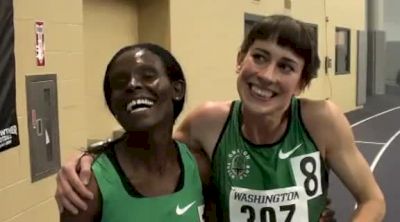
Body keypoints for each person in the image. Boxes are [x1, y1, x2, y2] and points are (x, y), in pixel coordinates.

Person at [56, 15, 385, 221]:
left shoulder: (321, 120)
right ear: (240, 61)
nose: (267, 76)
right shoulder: (208, 122)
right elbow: (149, 146)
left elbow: (372, 200)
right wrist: (85, 160)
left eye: (286, 66)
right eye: (259, 57)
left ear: (301, 83)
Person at [60, 43, 214, 221]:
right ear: (112, 104)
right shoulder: (88, 184)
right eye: (119, 82)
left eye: (148, 76)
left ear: (177, 89)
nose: (132, 85)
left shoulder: (198, 166)